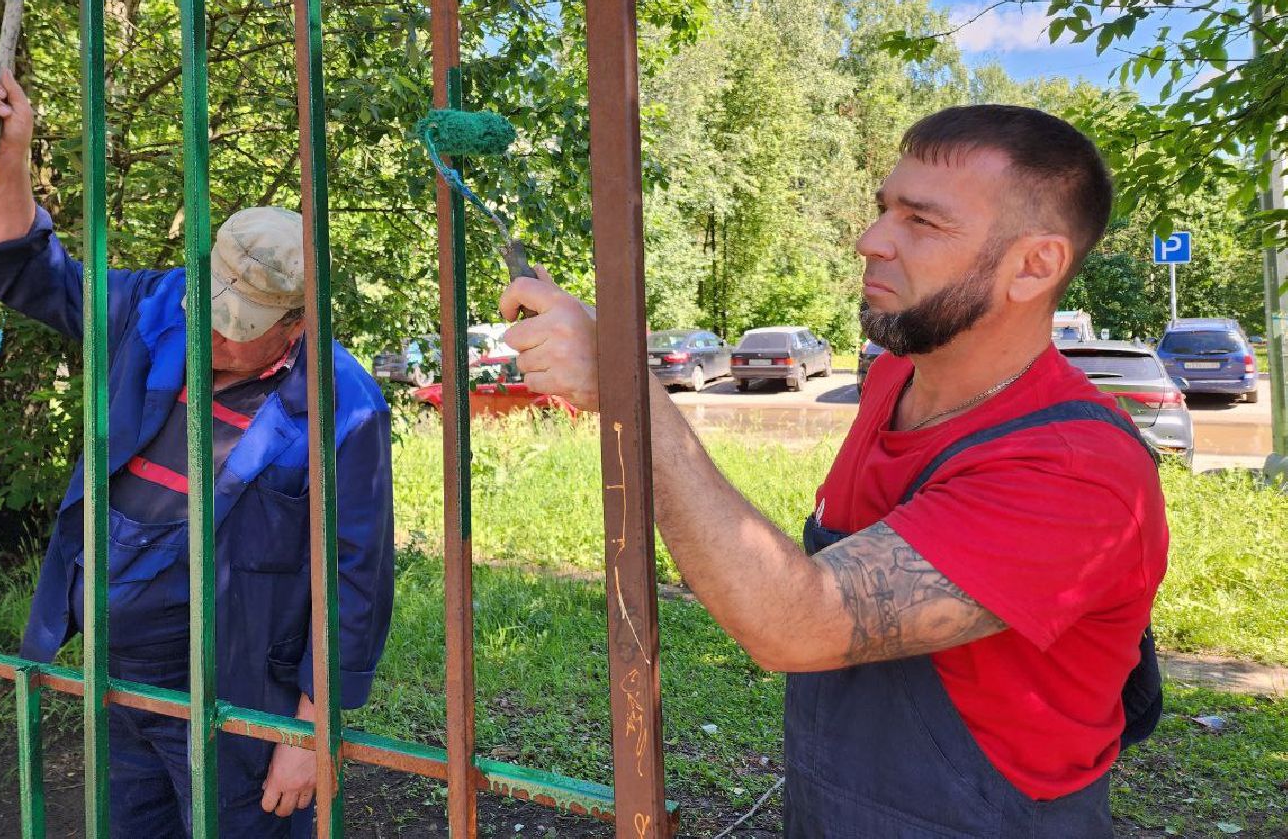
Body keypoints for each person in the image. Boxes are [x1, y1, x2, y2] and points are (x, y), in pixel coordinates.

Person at [500, 105, 1169, 837]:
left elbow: (798, 625)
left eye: (922, 222)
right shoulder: (893, 383)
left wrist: (627, 385)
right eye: (884, 209)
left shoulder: (1075, 472)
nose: (869, 241)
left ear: (1034, 265)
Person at [0, 58, 395, 838]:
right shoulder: (157, 304)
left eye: (237, 327)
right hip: (114, 677)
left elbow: (355, 580)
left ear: (297, 324)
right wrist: (10, 154)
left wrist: (311, 731)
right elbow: (31, 273)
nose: (209, 334)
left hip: (233, 698)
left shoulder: (346, 408)